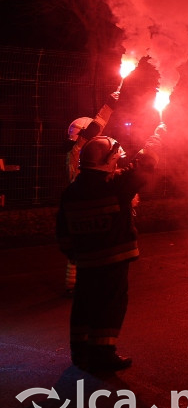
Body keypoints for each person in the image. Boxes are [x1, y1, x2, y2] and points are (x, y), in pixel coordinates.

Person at [55, 122, 164, 372]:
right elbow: (143, 166)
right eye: (115, 158)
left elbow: (63, 230)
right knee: (111, 305)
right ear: (106, 159)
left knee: (84, 304)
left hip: (85, 262)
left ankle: (80, 352)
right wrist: (157, 137)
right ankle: (103, 353)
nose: (117, 162)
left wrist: (74, 254)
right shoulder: (114, 185)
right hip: (114, 261)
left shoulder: (71, 192)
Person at [63, 91, 120, 294]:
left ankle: (73, 285)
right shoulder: (79, 151)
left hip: (75, 204)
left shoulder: (72, 153)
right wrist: (110, 104)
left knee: (79, 248)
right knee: (92, 246)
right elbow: (97, 126)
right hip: (88, 204)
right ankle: (85, 285)